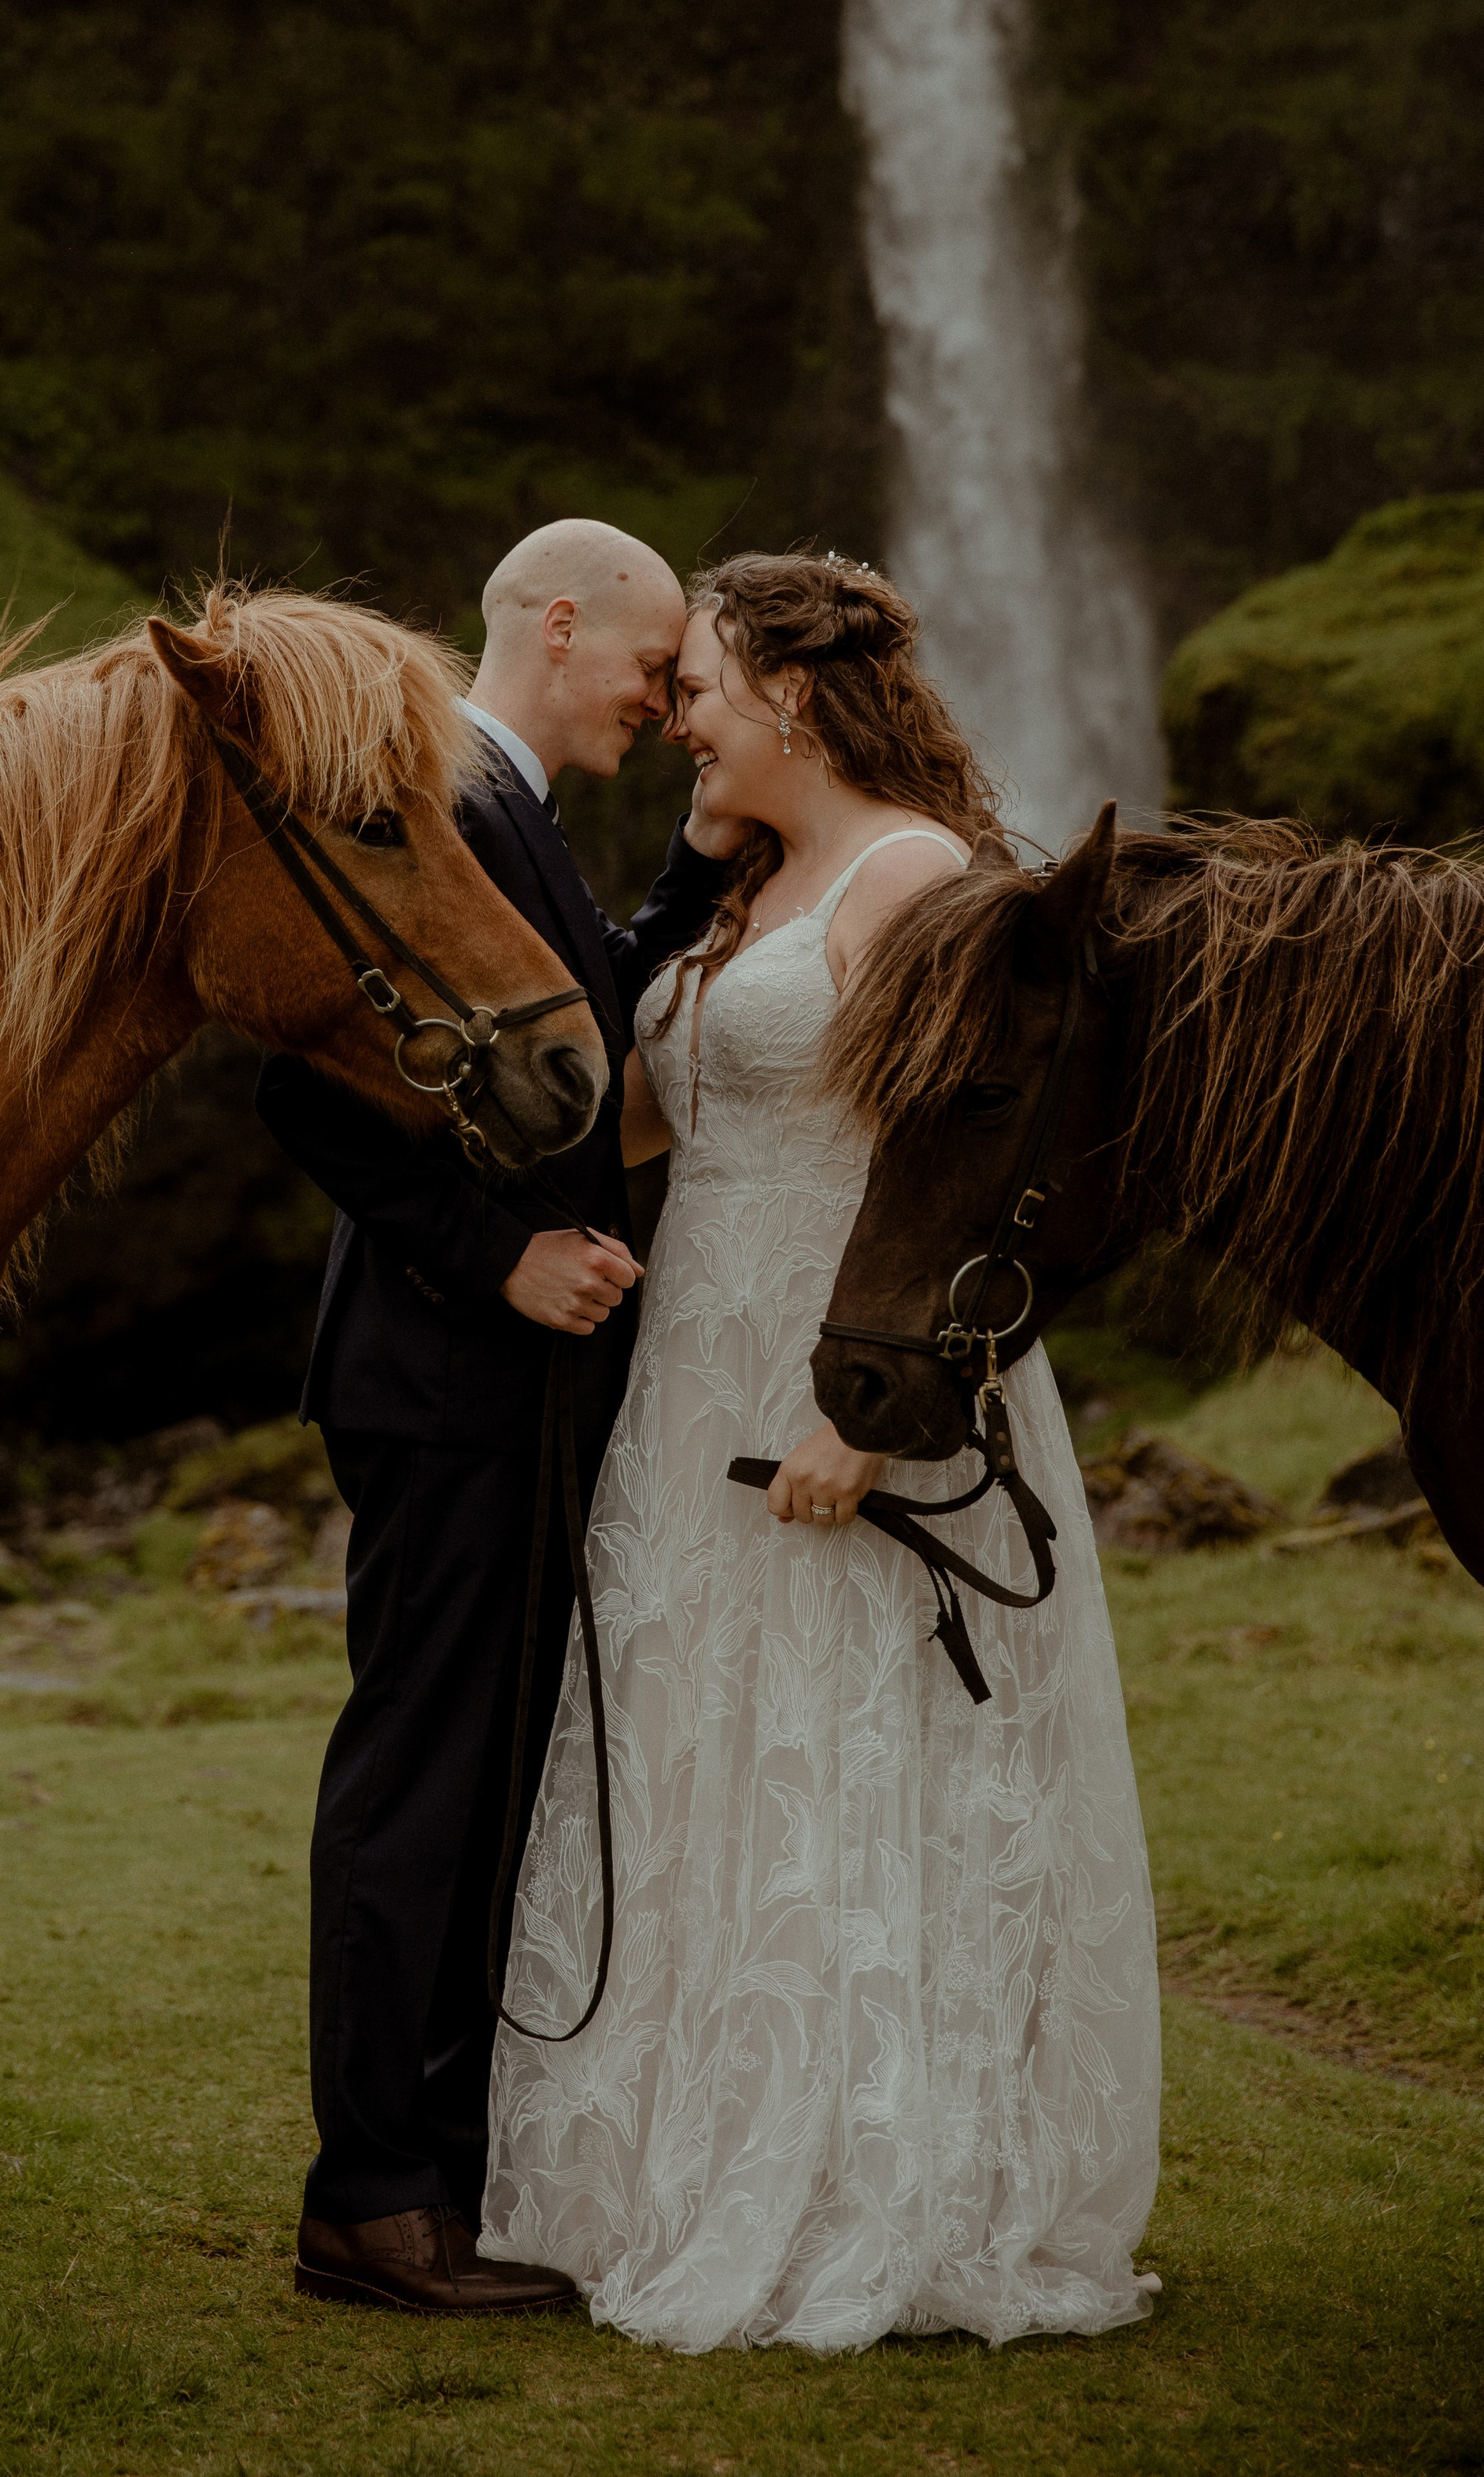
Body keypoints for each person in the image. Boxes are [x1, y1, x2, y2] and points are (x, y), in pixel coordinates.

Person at [484, 547, 1162, 2351]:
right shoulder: (745, 895)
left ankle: (876, 2175)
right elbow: (629, 1121)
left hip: (836, 1391)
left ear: (791, 692)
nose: (672, 714)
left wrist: (857, 1424)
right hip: (682, 1397)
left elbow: (950, 1176)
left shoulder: (912, 876)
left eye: (697, 682)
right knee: (704, 1760)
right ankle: (671, 2159)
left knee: (852, 1771)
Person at [255, 518, 738, 2316]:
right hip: (443, 1374)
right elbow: (297, 1087)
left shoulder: (501, 805)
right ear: (556, 624)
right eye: (652, 660)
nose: (668, 694)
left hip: (499, 1393)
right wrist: (495, 1256)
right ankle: (372, 2201)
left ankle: (443, 2175)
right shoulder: (438, 796)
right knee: (423, 1781)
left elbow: (570, 1015)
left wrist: (691, 880)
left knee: (483, 1780)